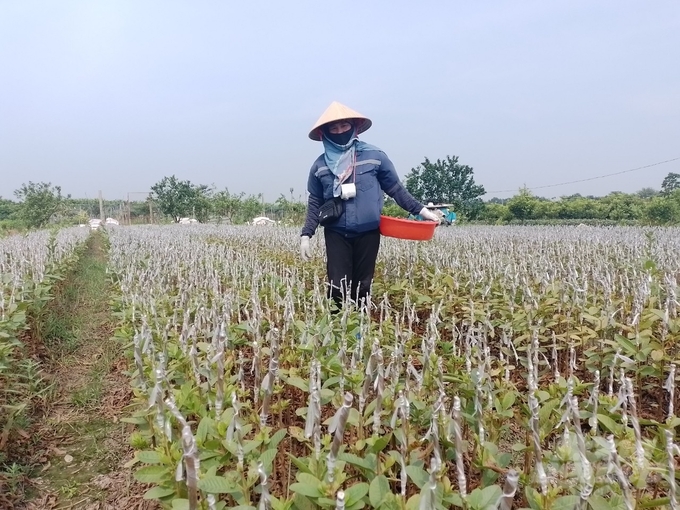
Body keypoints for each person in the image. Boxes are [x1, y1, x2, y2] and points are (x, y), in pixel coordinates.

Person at [299, 101, 440, 309]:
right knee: (337, 286)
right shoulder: (320, 166)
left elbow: (395, 189)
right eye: (334, 128)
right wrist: (306, 234)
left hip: (368, 232)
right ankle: (338, 330)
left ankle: (360, 332)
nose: (340, 131)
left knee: (362, 286)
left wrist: (422, 211)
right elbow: (315, 201)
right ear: (325, 134)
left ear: (354, 127)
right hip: (336, 232)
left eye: (344, 126)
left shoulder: (374, 156)